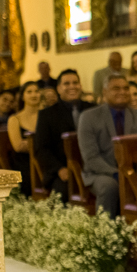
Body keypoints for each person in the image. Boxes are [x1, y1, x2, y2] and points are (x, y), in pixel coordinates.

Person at [78, 74, 137, 218]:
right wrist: (118, 173)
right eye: (116, 88)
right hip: (100, 173)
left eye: (125, 88)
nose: (122, 92)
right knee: (110, 186)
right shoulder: (88, 117)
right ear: (104, 92)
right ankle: (106, 235)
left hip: (134, 171)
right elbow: (91, 158)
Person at [34, 69, 95, 202]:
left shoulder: (93, 109)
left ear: (80, 86)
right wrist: (59, 169)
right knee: (63, 192)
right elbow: (41, 148)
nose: (72, 86)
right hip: (62, 170)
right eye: (67, 84)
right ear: (59, 88)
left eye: (75, 83)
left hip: (91, 168)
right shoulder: (47, 114)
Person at [8, 82, 42, 197]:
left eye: (36, 91)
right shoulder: (15, 119)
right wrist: (42, 144)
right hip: (23, 161)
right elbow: (18, 146)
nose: (34, 94)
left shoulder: (46, 115)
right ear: (22, 96)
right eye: (29, 92)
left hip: (44, 157)